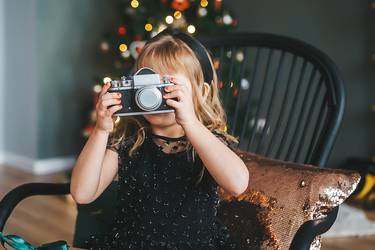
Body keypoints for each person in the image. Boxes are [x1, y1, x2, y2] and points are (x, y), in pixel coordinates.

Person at [70, 28, 249, 250]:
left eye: (167, 87)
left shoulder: (208, 142)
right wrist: (100, 130)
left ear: (200, 93)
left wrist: (191, 124)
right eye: (147, 84)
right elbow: (82, 194)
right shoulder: (130, 140)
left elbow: (238, 184)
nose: (154, 95)